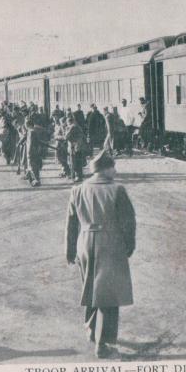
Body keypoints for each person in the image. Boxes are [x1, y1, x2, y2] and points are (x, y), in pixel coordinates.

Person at [65, 150, 136, 358]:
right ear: (105, 169)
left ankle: (90, 328)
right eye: (113, 166)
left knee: (90, 287)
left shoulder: (77, 190)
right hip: (110, 244)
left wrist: (69, 251)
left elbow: (71, 224)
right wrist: (129, 246)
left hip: (85, 243)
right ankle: (103, 343)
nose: (115, 170)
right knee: (109, 295)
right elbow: (128, 223)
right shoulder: (117, 190)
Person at [25, 117, 46, 187]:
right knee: (31, 166)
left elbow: (31, 143)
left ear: (28, 125)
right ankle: (31, 178)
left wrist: (29, 152)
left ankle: (37, 180)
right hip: (34, 151)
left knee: (33, 166)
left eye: (26, 124)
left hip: (32, 151)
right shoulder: (32, 131)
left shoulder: (31, 132)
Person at [65, 114, 85, 183]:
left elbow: (66, 137)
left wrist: (58, 136)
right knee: (78, 162)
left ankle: (75, 177)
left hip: (74, 147)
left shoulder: (72, 127)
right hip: (79, 147)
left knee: (73, 163)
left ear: (69, 121)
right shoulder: (78, 126)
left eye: (67, 122)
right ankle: (79, 176)